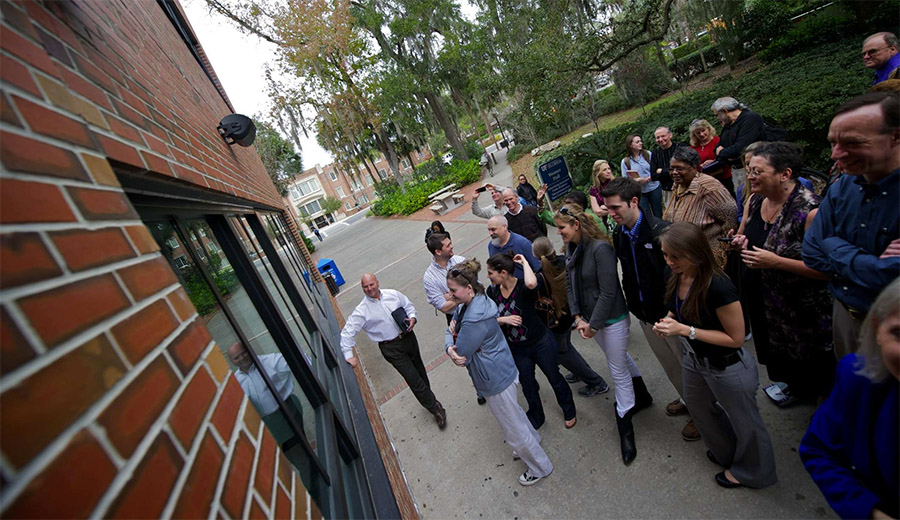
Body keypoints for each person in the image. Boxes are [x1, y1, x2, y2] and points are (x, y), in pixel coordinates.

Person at [653, 222, 777, 490]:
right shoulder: (675, 273)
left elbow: (735, 339)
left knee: (747, 423)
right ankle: (727, 453)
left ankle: (752, 472)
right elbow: (678, 306)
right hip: (696, 360)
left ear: (696, 253)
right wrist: (669, 319)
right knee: (699, 409)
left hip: (727, 366)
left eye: (675, 256)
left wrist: (685, 330)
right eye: (665, 255)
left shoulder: (719, 286)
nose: (669, 261)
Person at [731, 142, 834, 404]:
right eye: (749, 170)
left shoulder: (809, 211)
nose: (750, 177)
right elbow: (753, 235)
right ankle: (796, 390)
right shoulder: (756, 200)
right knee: (782, 361)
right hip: (767, 306)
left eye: (757, 172)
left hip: (802, 313)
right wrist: (742, 241)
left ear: (784, 174)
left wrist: (775, 261)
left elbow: (826, 270)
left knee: (815, 371)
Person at [600, 177, 699, 442]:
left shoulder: (661, 232)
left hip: (671, 317)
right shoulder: (620, 233)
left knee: (688, 366)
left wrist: (672, 313)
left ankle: (704, 415)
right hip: (646, 317)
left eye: (615, 208)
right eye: (607, 208)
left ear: (634, 201)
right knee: (671, 367)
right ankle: (689, 403)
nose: (610, 214)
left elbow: (682, 277)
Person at [803, 92, 900, 359]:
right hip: (845, 317)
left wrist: (831, 243)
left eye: (852, 143)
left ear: (896, 136)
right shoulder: (843, 186)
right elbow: (810, 253)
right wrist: (873, 265)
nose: (836, 155)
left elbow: (891, 278)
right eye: (833, 143)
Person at [555, 203, 652, 465]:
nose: (559, 233)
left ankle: (625, 422)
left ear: (576, 225)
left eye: (562, 228)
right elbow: (569, 285)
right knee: (616, 355)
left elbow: (609, 292)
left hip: (612, 319)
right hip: (589, 321)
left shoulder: (601, 249)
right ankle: (642, 396)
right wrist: (578, 318)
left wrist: (593, 324)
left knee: (616, 366)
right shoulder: (571, 250)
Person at [445, 260, 554, 486]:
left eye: (453, 290)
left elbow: (461, 351)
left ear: (467, 288)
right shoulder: (478, 301)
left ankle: (540, 467)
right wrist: (452, 331)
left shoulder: (473, 319)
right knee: (515, 414)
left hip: (493, 377)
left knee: (511, 427)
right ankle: (534, 440)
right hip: (503, 368)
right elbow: (455, 321)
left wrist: (448, 342)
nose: (450, 295)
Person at [799, 279, 899, 520]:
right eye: (898, 333)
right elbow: (818, 449)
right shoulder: (857, 377)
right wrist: (869, 511)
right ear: (876, 329)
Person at [340, 274, 447, 429]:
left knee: (419, 371)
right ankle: (435, 407)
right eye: (365, 286)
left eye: (371, 284)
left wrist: (412, 318)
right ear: (362, 288)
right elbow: (347, 333)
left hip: (409, 337)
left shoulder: (393, 294)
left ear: (377, 282)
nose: (369, 289)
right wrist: (349, 355)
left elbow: (409, 306)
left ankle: (427, 396)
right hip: (391, 348)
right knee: (412, 378)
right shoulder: (361, 311)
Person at [486, 252, 577, 430]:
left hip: (540, 343)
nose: (488, 277)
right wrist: (503, 320)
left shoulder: (522, 287)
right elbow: (488, 318)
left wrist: (525, 262)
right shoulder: (492, 291)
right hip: (518, 348)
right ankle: (537, 416)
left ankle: (569, 409)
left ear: (503, 273)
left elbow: (532, 283)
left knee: (554, 376)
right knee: (528, 385)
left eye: (491, 273)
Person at [531, 237, 610, 397]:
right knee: (566, 347)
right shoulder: (564, 262)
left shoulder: (540, 277)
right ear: (553, 250)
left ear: (535, 257)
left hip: (556, 321)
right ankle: (578, 370)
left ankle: (596, 382)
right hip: (570, 314)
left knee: (562, 353)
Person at [424, 233, 485, 406]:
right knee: (468, 356)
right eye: (448, 245)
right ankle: (480, 389)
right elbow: (442, 307)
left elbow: (477, 287)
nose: (452, 246)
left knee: (487, 347)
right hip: (456, 321)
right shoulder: (429, 278)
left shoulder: (460, 261)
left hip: (477, 311)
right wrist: (460, 295)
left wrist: (449, 297)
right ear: (437, 251)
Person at [663, 146, 738, 268]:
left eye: (679, 169)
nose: (674, 173)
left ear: (694, 167)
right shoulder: (677, 185)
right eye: (672, 169)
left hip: (707, 255)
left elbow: (730, 215)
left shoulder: (709, 187)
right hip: (684, 253)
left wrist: (724, 248)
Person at [712, 97, 767, 190]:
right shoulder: (728, 125)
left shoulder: (750, 119)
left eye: (717, 115)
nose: (718, 118)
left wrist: (722, 152)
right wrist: (724, 152)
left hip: (752, 168)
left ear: (725, 111)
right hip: (735, 170)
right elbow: (718, 146)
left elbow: (741, 148)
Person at [690, 118, 735, 198]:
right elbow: (691, 164)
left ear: (708, 129)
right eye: (698, 133)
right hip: (705, 182)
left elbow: (726, 159)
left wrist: (713, 162)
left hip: (723, 178)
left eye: (703, 131)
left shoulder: (718, 141)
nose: (701, 134)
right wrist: (701, 165)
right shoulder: (693, 148)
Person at [620, 134, 661, 218]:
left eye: (640, 141)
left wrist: (650, 178)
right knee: (645, 215)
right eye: (637, 142)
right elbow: (625, 180)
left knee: (658, 213)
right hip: (640, 192)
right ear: (630, 145)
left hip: (654, 187)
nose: (640, 143)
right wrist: (637, 181)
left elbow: (657, 169)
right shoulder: (625, 162)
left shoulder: (648, 154)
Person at [649, 126, 687, 209]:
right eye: (657, 137)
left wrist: (662, 171)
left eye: (663, 136)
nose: (660, 139)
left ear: (670, 135)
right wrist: (673, 171)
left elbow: (685, 169)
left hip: (684, 187)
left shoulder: (680, 148)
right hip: (667, 191)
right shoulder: (655, 153)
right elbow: (653, 176)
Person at [588, 159, 615, 231]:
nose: (608, 171)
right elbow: (597, 211)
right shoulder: (593, 190)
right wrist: (613, 209)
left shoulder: (615, 183)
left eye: (609, 168)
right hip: (606, 224)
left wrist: (604, 207)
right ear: (598, 173)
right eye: (604, 170)